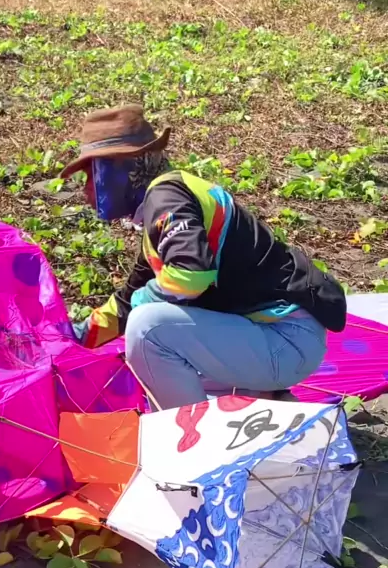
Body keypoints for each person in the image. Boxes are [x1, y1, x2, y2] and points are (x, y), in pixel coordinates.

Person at [61, 104, 346, 411]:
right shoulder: (168, 201)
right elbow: (127, 300)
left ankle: (189, 436)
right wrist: (73, 337)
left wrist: (145, 300)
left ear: (122, 168)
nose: (87, 190)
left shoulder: (166, 198)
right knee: (151, 363)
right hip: (277, 338)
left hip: (284, 339)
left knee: (147, 331)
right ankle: (268, 400)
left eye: (91, 175)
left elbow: (190, 276)